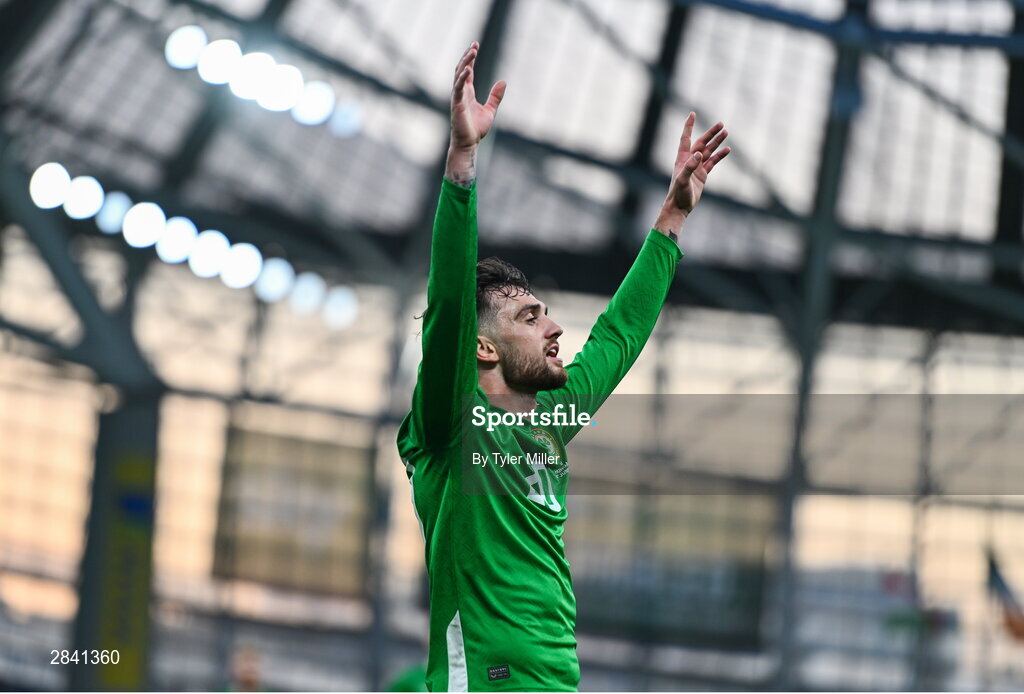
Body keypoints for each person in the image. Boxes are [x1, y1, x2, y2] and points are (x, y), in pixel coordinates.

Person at [397, 41, 730, 692]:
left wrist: (672, 217)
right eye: (529, 318)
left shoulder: (552, 418)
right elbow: (448, 309)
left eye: (546, 313)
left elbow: (621, 334)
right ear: (483, 349)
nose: (554, 328)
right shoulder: (450, 425)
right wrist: (462, 162)